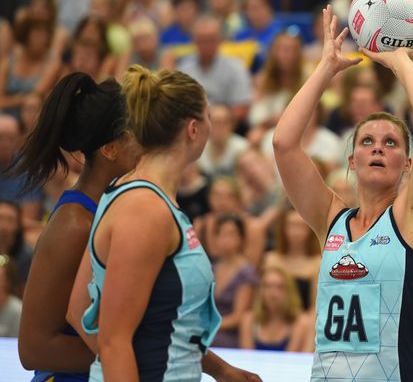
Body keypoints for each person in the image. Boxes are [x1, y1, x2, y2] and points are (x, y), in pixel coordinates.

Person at [272, 6, 413, 380]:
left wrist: (398, 61)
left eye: (391, 142)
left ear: (409, 164)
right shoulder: (331, 219)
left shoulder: (412, 216)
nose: (378, 147)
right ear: (352, 159)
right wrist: (325, 68)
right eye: (367, 141)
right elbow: (284, 143)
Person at [66, 65, 260, 381]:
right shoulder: (146, 209)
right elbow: (115, 341)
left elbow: (81, 310)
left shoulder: (134, 192)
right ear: (193, 129)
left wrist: (221, 370)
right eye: (209, 115)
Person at [9, 73, 136, 381]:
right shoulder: (74, 224)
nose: (147, 141)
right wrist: (128, 356)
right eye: (138, 131)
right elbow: (34, 349)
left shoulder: (114, 207)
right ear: (111, 149)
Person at [239, 265, 314, 352]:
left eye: (280, 287)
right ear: (260, 291)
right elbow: (246, 359)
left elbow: (295, 361)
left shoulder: (302, 323)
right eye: (267, 286)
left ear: (289, 291)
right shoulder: (249, 320)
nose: (273, 294)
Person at [212, 214, 258, 348]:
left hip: (231, 335)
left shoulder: (246, 272)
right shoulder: (211, 268)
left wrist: (208, 326)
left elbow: (238, 317)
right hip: (209, 329)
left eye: (231, 234)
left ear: (241, 238)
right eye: (221, 234)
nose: (225, 239)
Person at [263, 205, 322, 312]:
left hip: (303, 322)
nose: (296, 232)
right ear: (283, 228)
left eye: (301, 226)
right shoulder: (271, 259)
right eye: (292, 226)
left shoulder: (317, 263)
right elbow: (262, 301)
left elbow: (315, 307)